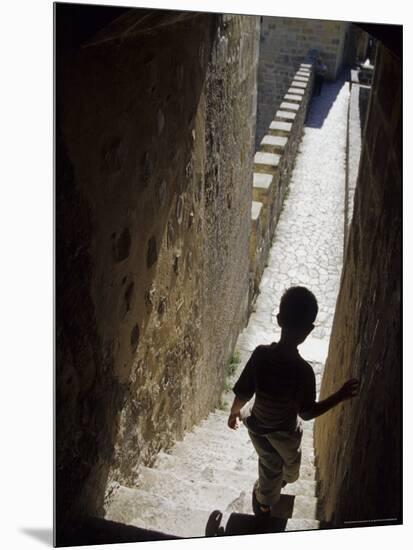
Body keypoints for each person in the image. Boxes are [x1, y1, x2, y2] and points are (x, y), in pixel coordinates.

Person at [227, 286, 359, 516]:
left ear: (279, 320)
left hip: (259, 426)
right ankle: (263, 501)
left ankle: (268, 494)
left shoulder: (261, 355)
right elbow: (306, 414)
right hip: (282, 433)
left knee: (281, 468)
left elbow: (244, 391)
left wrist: (234, 412)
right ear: (308, 330)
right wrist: (339, 396)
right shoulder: (303, 372)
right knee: (279, 469)